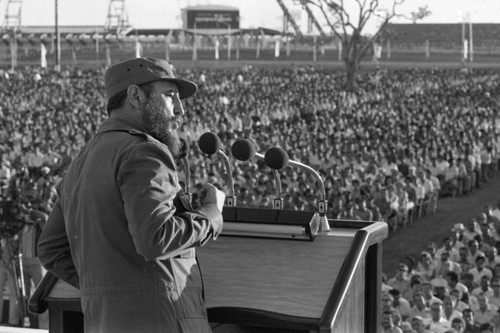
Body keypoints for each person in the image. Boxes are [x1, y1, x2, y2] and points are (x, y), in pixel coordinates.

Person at [37, 57, 226, 332]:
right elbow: (156, 238)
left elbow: (50, 249)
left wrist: (114, 287)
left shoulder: (81, 161)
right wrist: (211, 213)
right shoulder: (144, 151)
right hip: (162, 321)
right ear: (135, 96)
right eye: (170, 96)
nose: (180, 109)